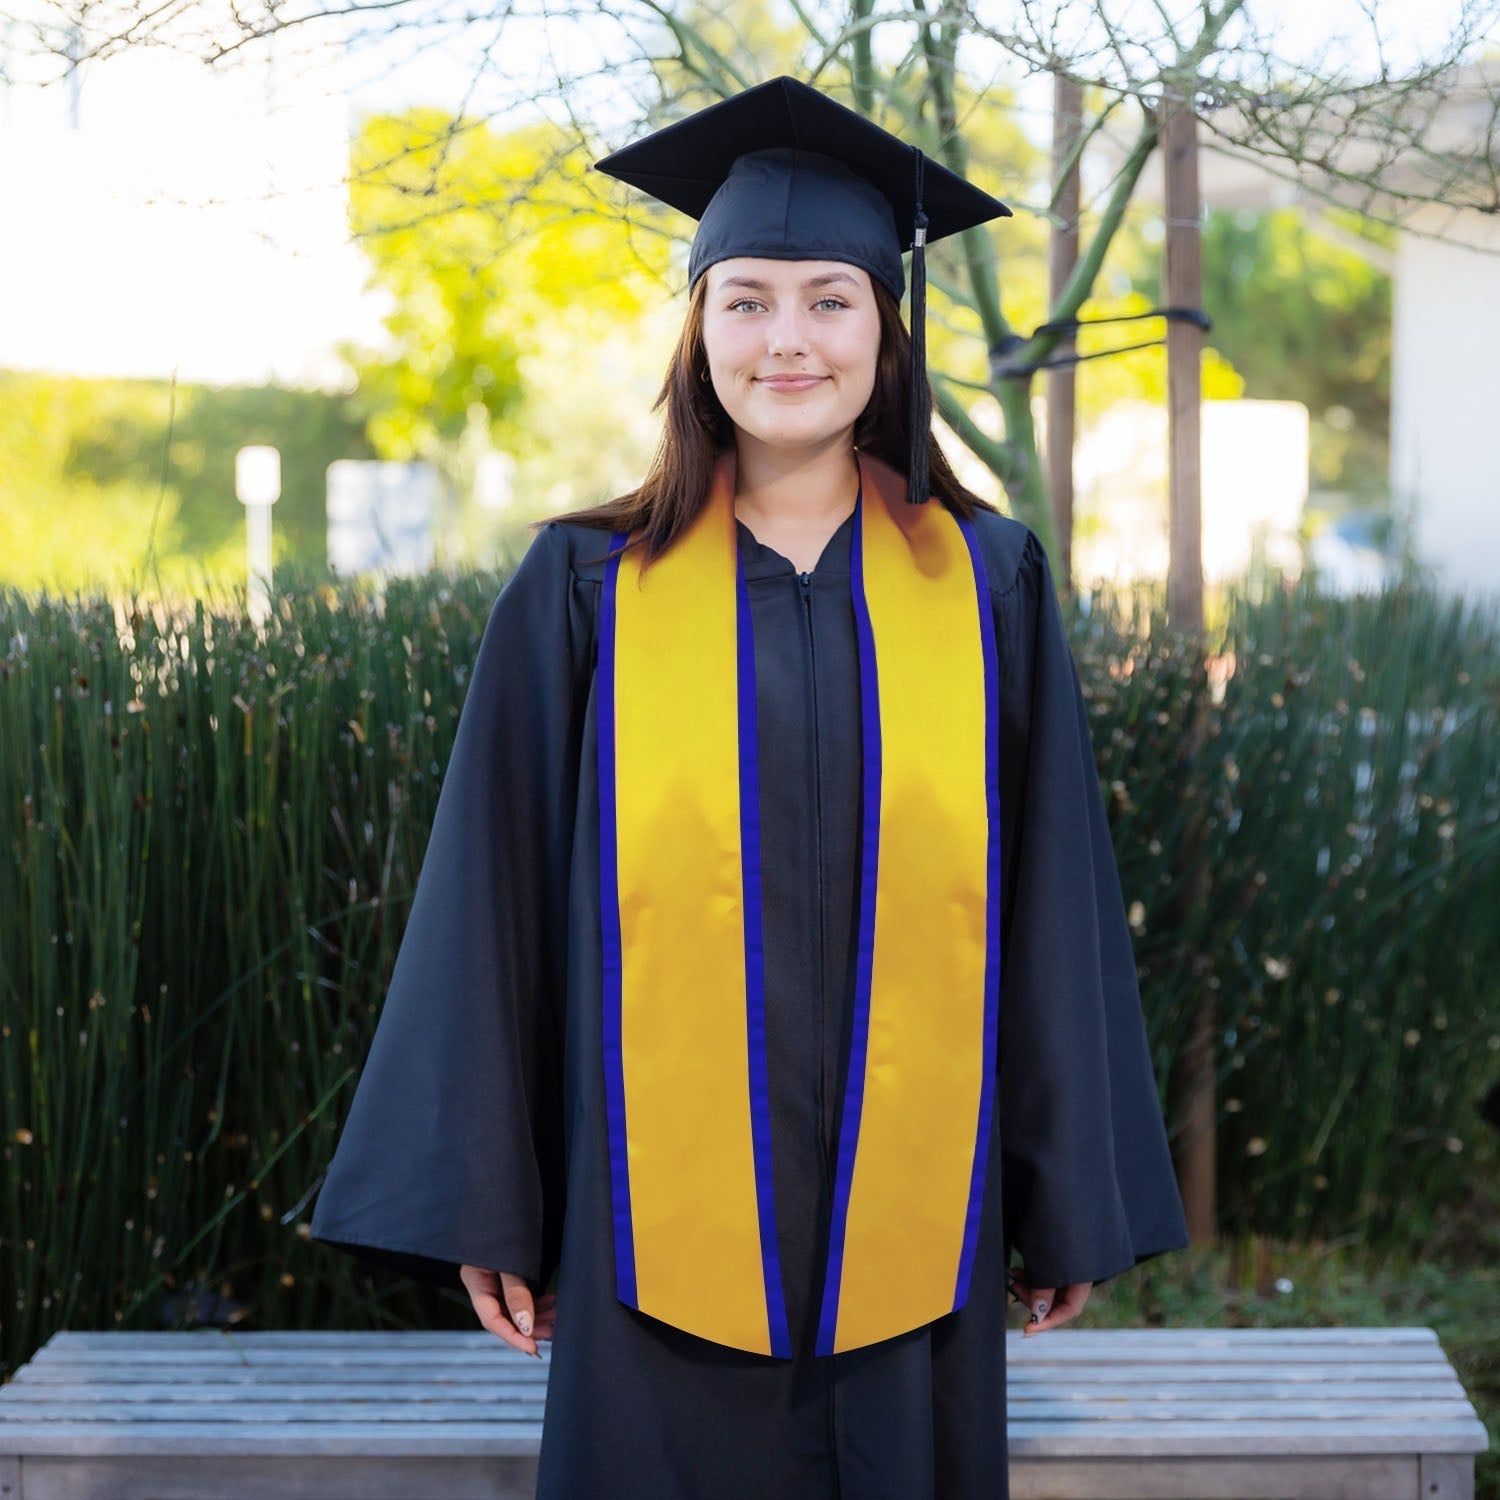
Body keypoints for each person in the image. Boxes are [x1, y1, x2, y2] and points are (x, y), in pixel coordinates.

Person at [309, 75, 1190, 1499]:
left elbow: (1051, 900)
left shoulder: (987, 585)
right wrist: (493, 1195)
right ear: (697, 334)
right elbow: (496, 900)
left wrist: (1063, 1195)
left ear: (887, 334)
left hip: (922, 1233)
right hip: (645, 1239)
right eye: (749, 301)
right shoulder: (586, 591)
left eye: (831, 299)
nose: (789, 340)